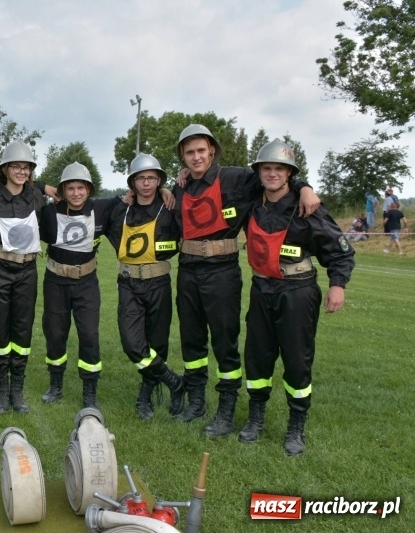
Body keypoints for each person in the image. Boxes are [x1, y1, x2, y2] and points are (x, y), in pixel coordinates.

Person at [171, 124, 320, 439]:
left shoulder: (236, 178)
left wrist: (305, 186)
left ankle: (226, 409)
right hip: (187, 270)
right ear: (182, 157)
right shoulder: (181, 186)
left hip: (222, 272)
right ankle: (196, 400)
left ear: (212, 150)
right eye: (189, 152)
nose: (196, 157)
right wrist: (162, 188)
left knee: (225, 342)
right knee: (191, 339)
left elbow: (275, 176)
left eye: (201, 150)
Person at [239, 139, 355, 455]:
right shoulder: (252, 202)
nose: (273, 174)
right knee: (257, 357)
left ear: (289, 173)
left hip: (297, 292)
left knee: (296, 361)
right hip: (261, 290)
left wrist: (337, 285)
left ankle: (296, 425)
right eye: (267, 168)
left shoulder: (308, 207)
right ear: (259, 172)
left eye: (280, 168)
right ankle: (256, 417)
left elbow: (341, 252)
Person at [105, 153, 185, 420]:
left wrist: (171, 187)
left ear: (159, 180)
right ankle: (174, 381)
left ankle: (146, 395)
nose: (147, 184)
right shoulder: (120, 208)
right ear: (133, 182)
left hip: (159, 282)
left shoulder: (170, 206)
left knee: (157, 343)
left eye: (152, 178)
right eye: (141, 178)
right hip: (128, 283)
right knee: (132, 344)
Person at [39, 162, 122, 410]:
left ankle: (89, 390)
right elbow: (24, 191)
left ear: (89, 189)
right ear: (63, 190)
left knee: (88, 334)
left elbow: (135, 195)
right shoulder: (49, 213)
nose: (76, 193)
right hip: (55, 282)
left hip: (87, 282)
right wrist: (42, 186)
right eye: (70, 188)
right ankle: (55, 384)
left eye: (81, 188)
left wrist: (165, 190)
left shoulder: (102, 208)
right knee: (55, 333)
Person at [0, 141, 46, 414]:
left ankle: (17, 389)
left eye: (26, 167)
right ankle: (1, 391)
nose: (21, 171)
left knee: (22, 330)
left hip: (27, 271)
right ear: (5, 169)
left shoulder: (36, 196)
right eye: (16, 166)